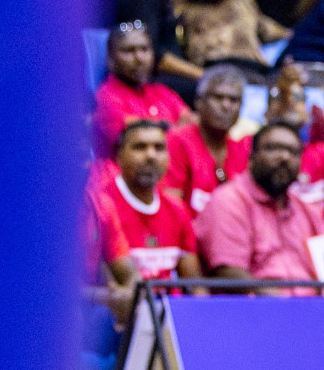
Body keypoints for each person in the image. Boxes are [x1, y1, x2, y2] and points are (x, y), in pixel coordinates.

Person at [194, 122, 324, 285]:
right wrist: (283, 304)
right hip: (255, 307)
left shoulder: (308, 211)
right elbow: (228, 271)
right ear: (252, 156)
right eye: (273, 148)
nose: (284, 157)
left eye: (293, 152)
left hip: (314, 306)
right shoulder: (229, 200)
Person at [91, 120, 203, 282]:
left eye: (159, 148)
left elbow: (194, 284)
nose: (151, 156)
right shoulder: (102, 207)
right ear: (119, 156)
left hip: (171, 305)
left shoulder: (178, 209)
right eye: (140, 147)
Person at [263, 73, 324, 227]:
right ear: (269, 108)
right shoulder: (253, 152)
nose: (292, 103)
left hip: (317, 245)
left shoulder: (318, 153)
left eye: (298, 98)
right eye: (283, 96)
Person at [91, 21, 188, 160]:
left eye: (145, 49)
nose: (140, 58)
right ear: (110, 58)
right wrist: (172, 128)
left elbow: (195, 127)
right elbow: (140, 136)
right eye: (129, 51)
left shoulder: (162, 91)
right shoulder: (105, 97)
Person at [161, 65, 250, 214]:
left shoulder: (241, 149)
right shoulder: (176, 141)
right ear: (199, 102)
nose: (226, 106)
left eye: (234, 100)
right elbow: (170, 211)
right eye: (218, 97)